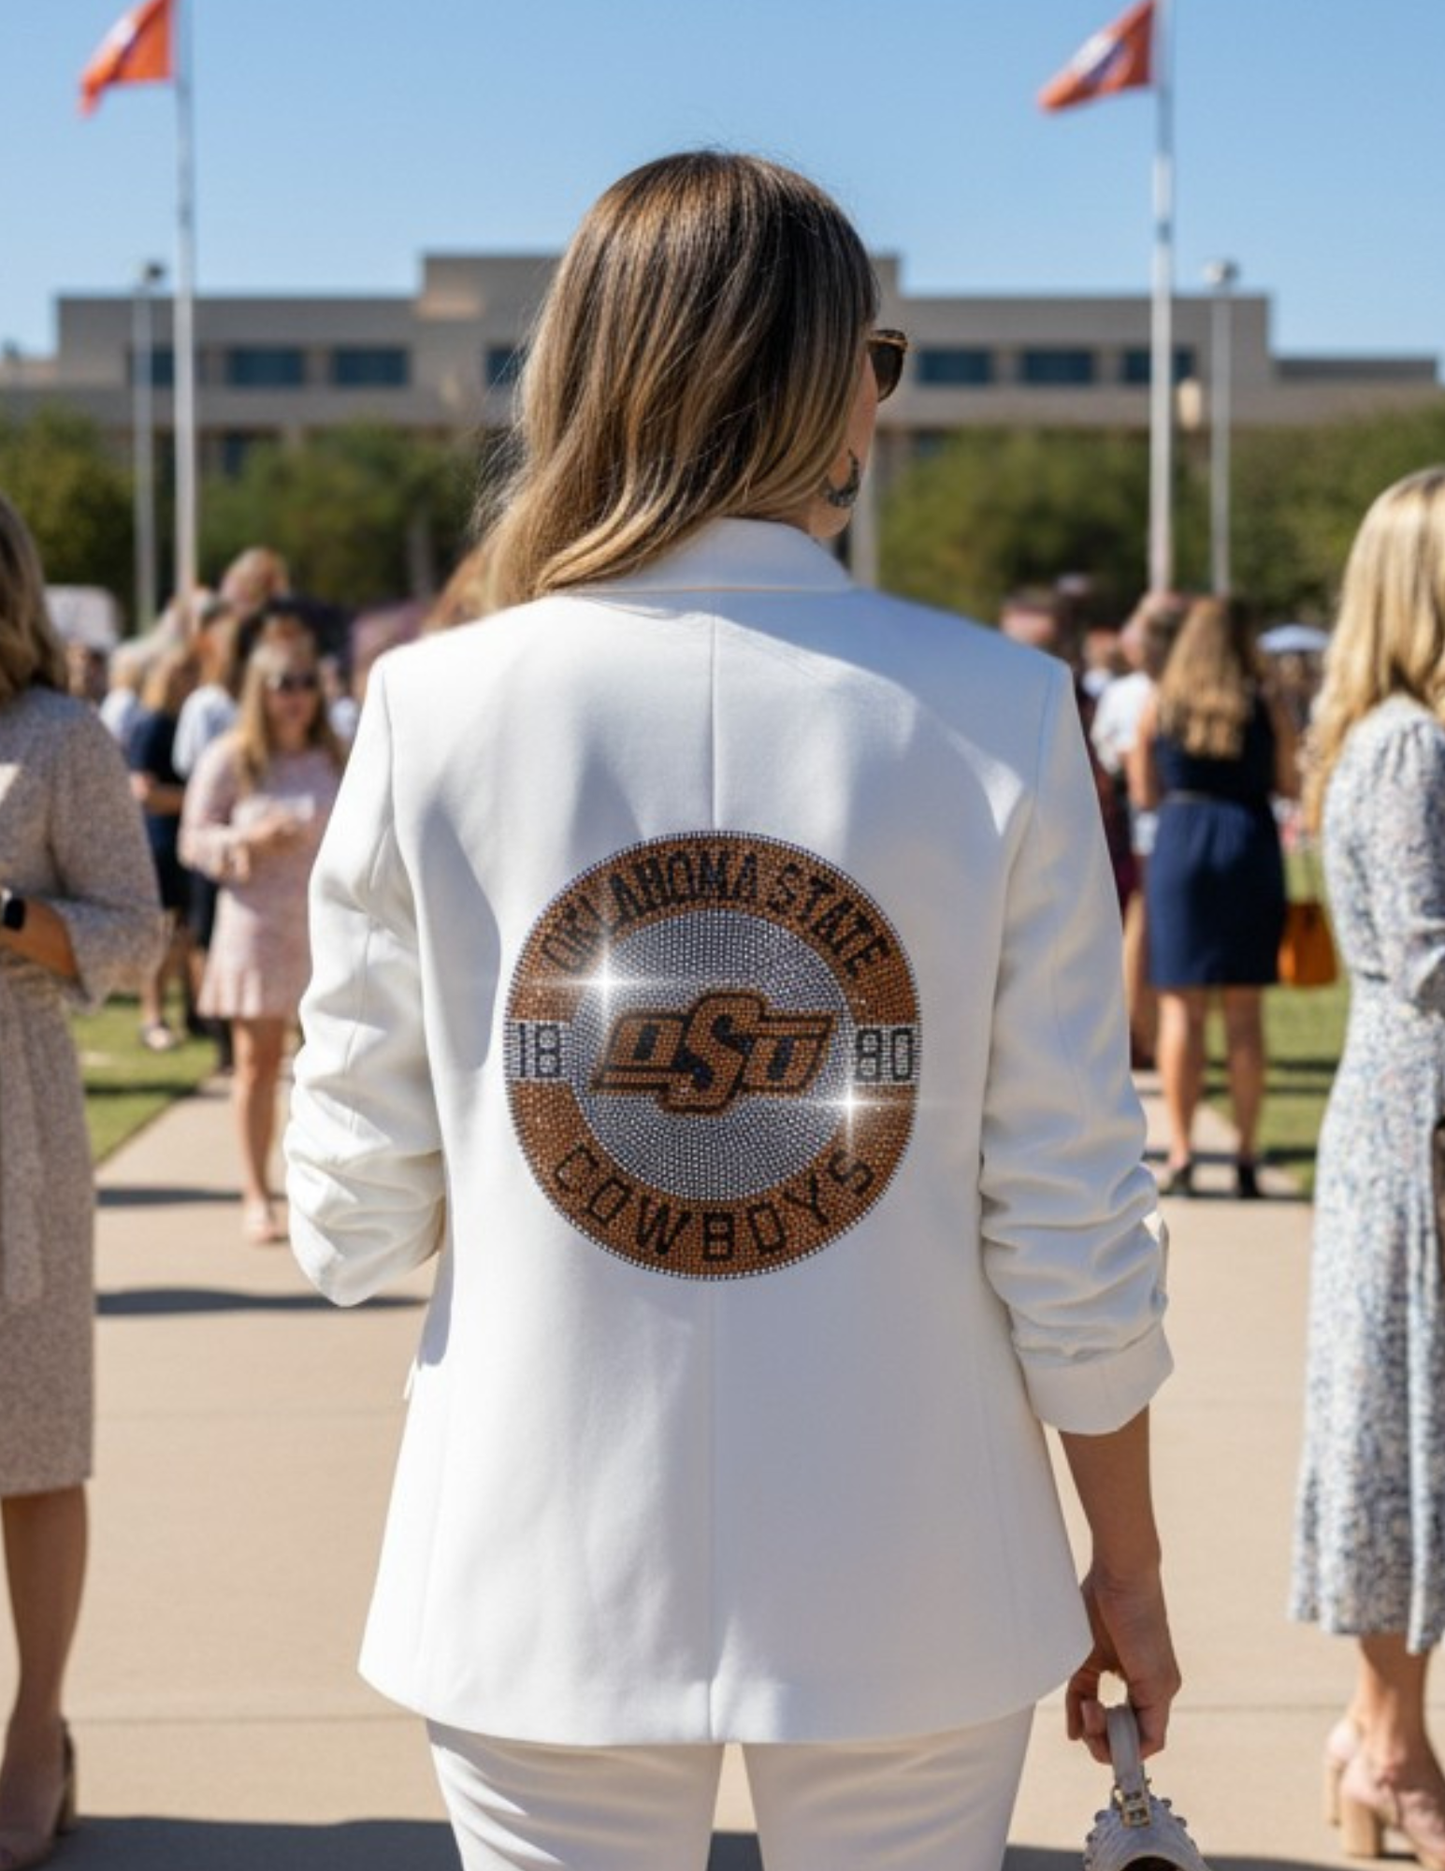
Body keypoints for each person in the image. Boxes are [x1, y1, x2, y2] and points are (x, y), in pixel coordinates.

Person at [285, 152, 1178, 1871]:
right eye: (883, 358)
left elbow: (344, 1216)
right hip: (916, 1561)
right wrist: (1126, 1571)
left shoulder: (427, 710)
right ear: (834, 388)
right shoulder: (1002, 711)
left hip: (534, 1562)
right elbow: (1070, 1208)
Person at [0, 494, 165, 1870]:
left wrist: (10, 913)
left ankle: (36, 1731)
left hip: (15, 1102)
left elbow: (138, 932)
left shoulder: (57, 739)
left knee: (31, 1440)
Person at [1290, 467, 1445, 1868]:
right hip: (1418, 1129)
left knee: (1412, 1429)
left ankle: (1373, 1732)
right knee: (1401, 1432)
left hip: (1408, 1117)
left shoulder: (1397, 736)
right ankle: (1391, 1745)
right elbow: (1426, 954)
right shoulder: (1407, 746)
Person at [1129, 596, 1297, 1197]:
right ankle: (1247, 1152)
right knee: (1246, 1013)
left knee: (1182, 1009)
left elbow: (1145, 790)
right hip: (1248, 840)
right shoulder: (1262, 701)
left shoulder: (1163, 700)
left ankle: (1180, 1149)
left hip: (1183, 839)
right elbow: (1289, 781)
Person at [181, 636, 343, 1244]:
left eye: (306, 682)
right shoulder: (232, 757)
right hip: (254, 925)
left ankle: (324, 1189)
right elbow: (192, 840)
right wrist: (248, 843)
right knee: (258, 1064)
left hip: (327, 928)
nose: (297, 696)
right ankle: (256, 1191)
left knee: (330, 1065)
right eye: (283, 683)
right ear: (260, 690)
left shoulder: (337, 756)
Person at [1091, 593, 1191, 1070]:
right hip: (1177, 818)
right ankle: (1155, 1033)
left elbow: (1110, 756)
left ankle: (1142, 1033)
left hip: (1147, 823)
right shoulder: (1192, 688)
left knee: (1144, 926)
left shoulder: (1125, 694)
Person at [126, 643, 201, 1050]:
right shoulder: (152, 723)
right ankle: (151, 1017)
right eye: (185, 671)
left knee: (185, 933)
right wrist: (199, 798)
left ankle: (189, 1012)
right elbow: (142, 791)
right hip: (158, 838)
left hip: (182, 836)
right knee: (163, 935)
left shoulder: (179, 723)